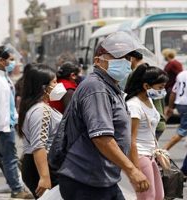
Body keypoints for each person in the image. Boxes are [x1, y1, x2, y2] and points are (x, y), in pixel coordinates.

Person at [58, 31, 150, 199]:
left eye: (128, 58)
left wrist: (134, 169)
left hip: (102, 179)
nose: (125, 62)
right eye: (118, 57)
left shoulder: (110, 88)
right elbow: (101, 137)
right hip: (85, 180)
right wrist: (132, 171)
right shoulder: (96, 88)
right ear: (98, 61)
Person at [0, 46, 33, 199]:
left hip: (5, 124)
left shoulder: (3, 76)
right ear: (1, 60)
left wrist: (15, 119)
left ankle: (16, 188)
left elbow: (7, 103)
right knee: (10, 158)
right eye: (10, 60)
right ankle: (17, 189)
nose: (13, 63)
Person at [18, 63, 63, 198]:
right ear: (44, 87)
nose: (58, 86)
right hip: (43, 167)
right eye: (54, 82)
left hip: (40, 165)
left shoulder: (39, 107)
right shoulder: (41, 110)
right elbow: (39, 145)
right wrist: (44, 177)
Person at [125, 65, 169, 200]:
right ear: (146, 86)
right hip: (140, 154)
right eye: (160, 87)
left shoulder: (149, 100)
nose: (163, 91)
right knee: (147, 196)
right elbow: (131, 139)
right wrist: (136, 169)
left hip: (150, 154)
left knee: (158, 196)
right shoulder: (134, 105)